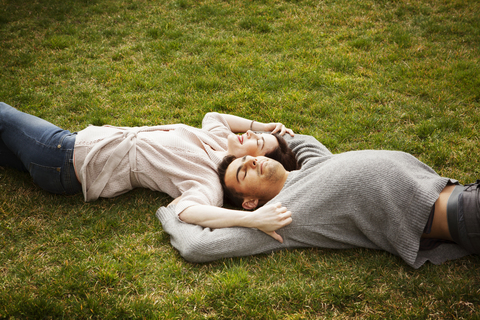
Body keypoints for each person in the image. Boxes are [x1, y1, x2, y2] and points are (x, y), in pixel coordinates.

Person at [157, 134, 478, 268]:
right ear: (250, 203)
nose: (253, 161)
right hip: (463, 214)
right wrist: (169, 215)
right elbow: (197, 247)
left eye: (251, 158)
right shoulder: (277, 217)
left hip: (464, 192)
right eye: (244, 173)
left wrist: (267, 138)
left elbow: (303, 141)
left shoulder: (314, 166)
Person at [0, 102, 297, 227]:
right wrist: (264, 125)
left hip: (63, 157)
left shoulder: (209, 183)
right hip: (72, 146)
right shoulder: (220, 143)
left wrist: (251, 220)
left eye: (257, 144)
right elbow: (214, 117)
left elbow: (184, 211)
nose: (249, 137)